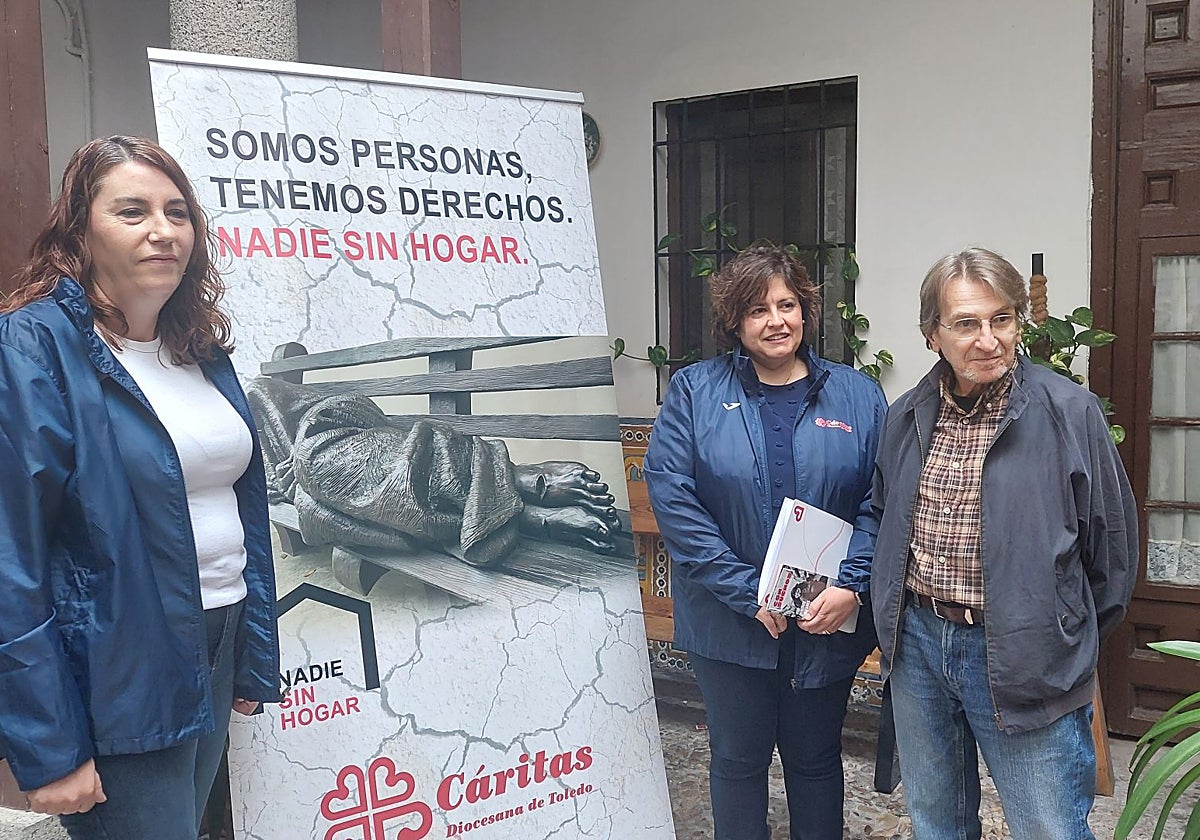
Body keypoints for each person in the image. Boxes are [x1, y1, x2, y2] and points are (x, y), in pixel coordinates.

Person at [0, 136, 281, 839]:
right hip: (118, 669)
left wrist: (252, 657)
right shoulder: (32, 349)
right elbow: (10, 559)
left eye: (177, 211)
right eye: (132, 211)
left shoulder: (199, 348)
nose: (163, 230)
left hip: (217, 638)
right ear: (80, 230)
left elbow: (237, 506)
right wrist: (48, 748)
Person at [870, 248, 1137, 839]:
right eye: (966, 323)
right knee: (937, 822)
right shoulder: (904, 416)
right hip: (919, 647)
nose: (988, 339)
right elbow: (885, 515)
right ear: (932, 334)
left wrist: (1058, 631)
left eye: (1003, 318)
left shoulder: (1070, 412)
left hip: (1027, 654)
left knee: (1048, 828)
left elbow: (1111, 557)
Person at [644, 243, 886, 839]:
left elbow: (882, 501)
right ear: (735, 322)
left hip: (825, 620)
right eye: (757, 309)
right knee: (736, 760)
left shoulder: (858, 396)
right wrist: (749, 590)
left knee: (815, 761)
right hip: (729, 621)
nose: (776, 320)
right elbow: (673, 497)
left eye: (787, 304)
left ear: (805, 310)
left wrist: (852, 587)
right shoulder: (694, 391)